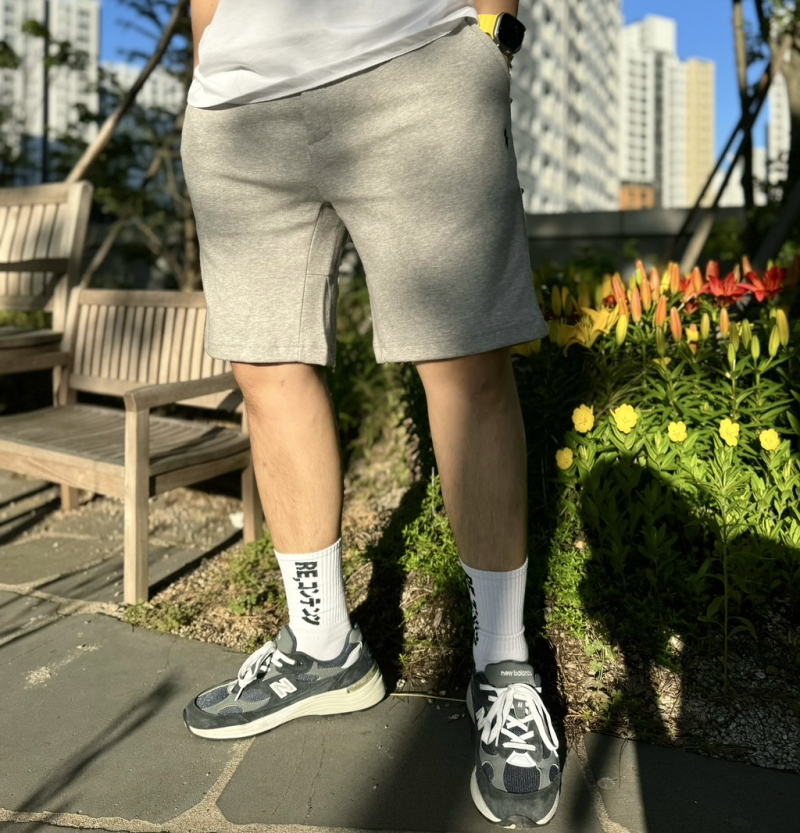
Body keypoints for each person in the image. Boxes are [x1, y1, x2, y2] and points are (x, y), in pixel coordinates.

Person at [180, 0, 560, 826]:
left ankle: (503, 665)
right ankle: (323, 647)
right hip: (238, 113)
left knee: (464, 365)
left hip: (416, 65)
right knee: (265, 370)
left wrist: (492, 40)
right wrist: (211, 62)